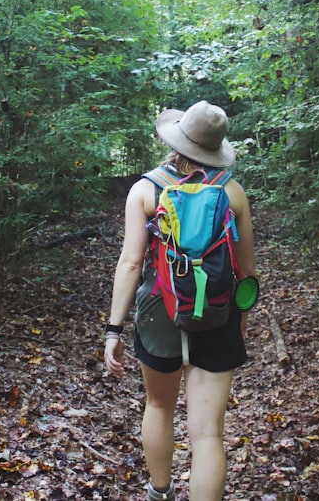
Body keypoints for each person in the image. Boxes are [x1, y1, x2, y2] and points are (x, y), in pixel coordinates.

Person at [104, 101, 257, 501]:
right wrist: (240, 318)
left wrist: (113, 329)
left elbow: (132, 261)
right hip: (218, 312)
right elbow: (247, 272)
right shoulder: (232, 192)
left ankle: (160, 493)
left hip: (159, 313)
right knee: (207, 434)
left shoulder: (145, 190)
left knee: (158, 407)